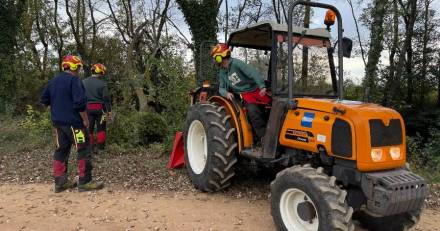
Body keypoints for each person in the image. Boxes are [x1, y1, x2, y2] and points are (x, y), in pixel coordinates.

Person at [40, 54, 104, 193]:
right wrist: (86, 120)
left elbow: (44, 101)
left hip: (58, 124)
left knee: (61, 150)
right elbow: (80, 104)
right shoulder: (74, 81)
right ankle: (85, 182)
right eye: (79, 67)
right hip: (75, 124)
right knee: (84, 148)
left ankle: (60, 183)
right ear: (74, 66)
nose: (79, 70)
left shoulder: (53, 81)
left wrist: (58, 109)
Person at [211, 43, 271, 156]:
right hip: (245, 95)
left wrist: (262, 86)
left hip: (256, 90)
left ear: (222, 57)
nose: (217, 62)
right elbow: (221, 88)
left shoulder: (237, 64)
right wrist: (226, 93)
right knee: (253, 111)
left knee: (273, 107)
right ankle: (264, 140)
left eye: (217, 59)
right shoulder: (222, 72)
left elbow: (253, 73)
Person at [82, 63, 111, 153]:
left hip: (87, 109)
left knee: (89, 129)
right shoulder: (103, 83)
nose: (103, 74)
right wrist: (109, 111)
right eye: (102, 72)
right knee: (101, 129)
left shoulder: (83, 82)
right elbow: (106, 98)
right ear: (100, 71)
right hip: (101, 109)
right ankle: (100, 149)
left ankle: (90, 148)